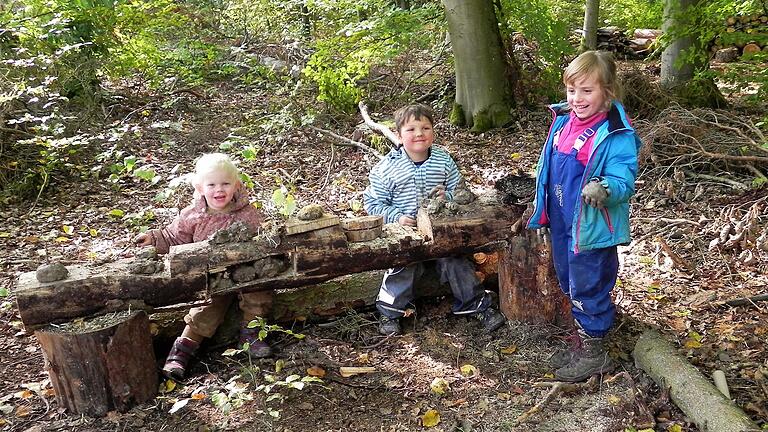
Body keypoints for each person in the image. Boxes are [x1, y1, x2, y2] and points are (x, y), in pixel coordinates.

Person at [525, 51, 641, 382]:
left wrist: (605, 187)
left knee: (589, 284)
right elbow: (549, 169)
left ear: (607, 91)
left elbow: (623, 178)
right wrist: (539, 205)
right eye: (572, 90)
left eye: (587, 90)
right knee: (568, 280)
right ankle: (584, 339)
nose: (577, 98)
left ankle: (595, 354)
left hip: (591, 228)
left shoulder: (615, 133)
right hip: (562, 222)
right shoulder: (562, 122)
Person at [363, 103, 506, 336]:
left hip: (443, 235)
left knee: (457, 263)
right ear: (399, 136)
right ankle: (390, 312)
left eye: (425, 128)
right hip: (407, 237)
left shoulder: (443, 160)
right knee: (403, 267)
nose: (419, 134)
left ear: (433, 131)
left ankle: (476, 305)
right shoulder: (387, 169)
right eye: (411, 130)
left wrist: (448, 196)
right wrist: (397, 218)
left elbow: (463, 192)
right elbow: (372, 203)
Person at [134, 153, 273, 380]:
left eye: (226, 184)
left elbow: (264, 236)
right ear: (200, 187)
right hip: (210, 276)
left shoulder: (248, 214)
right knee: (205, 309)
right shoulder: (193, 215)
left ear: (236, 185)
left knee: (259, 294)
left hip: (246, 272)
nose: (219, 190)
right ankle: (183, 351)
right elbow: (173, 236)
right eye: (212, 185)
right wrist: (154, 238)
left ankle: (252, 334)